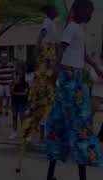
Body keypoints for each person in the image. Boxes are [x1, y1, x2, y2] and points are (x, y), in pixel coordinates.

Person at [45, 1, 103, 179]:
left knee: (62, 123)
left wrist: (96, 66)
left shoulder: (77, 29)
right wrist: (55, 72)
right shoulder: (72, 28)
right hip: (70, 78)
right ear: (82, 11)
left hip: (73, 77)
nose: (91, 16)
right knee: (80, 125)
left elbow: (82, 52)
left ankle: (51, 175)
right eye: (89, 12)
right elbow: (61, 49)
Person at [16, 4, 58, 173]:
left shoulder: (51, 24)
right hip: (46, 58)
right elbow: (39, 39)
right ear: (50, 12)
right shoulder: (47, 22)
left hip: (49, 58)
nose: (58, 12)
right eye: (55, 9)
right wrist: (38, 55)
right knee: (41, 98)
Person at [9, 74, 29, 140]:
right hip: (14, 102)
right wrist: (14, 84)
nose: (16, 77)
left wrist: (15, 93)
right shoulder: (13, 83)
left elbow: (25, 93)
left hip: (22, 103)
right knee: (14, 117)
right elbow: (11, 92)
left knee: (22, 118)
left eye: (17, 76)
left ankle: (24, 133)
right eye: (16, 76)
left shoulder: (25, 84)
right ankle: (14, 132)